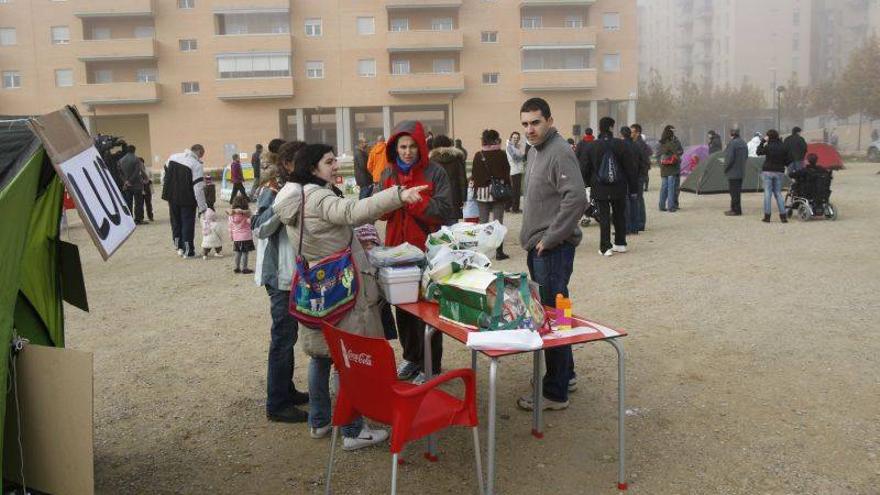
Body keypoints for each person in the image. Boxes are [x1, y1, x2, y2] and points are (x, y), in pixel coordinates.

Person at [273, 143, 428, 449]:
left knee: (320, 355)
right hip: (341, 289)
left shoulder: (295, 196)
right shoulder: (319, 197)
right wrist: (397, 194)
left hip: (316, 286)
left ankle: (319, 421)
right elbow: (353, 212)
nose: (335, 166)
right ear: (313, 168)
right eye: (329, 162)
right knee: (349, 361)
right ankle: (353, 430)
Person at [517, 97, 587, 411]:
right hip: (540, 248)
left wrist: (550, 238)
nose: (530, 129)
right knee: (558, 313)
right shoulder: (536, 150)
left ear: (549, 120)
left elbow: (576, 199)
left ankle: (555, 392)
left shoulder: (559, 151)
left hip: (553, 251)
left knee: (553, 318)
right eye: (525, 124)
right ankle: (566, 374)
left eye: (535, 122)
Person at [376, 121, 452, 385]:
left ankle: (431, 364)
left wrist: (415, 201)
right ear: (395, 149)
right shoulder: (387, 174)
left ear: (421, 147)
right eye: (402, 147)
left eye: (412, 147)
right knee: (404, 307)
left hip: (426, 250)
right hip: (396, 251)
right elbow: (380, 211)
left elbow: (445, 209)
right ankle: (411, 357)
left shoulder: (436, 173)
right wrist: (397, 197)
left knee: (429, 308)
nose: (407, 152)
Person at [252, 140, 309, 424]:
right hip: (280, 277)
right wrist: (281, 209)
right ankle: (277, 403)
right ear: (287, 164)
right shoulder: (273, 189)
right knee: (283, 338)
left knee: (290, 336)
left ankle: (286, 390)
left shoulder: (303, 189)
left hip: (296, 273)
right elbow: (258, 227)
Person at [578, 118, 637, 257]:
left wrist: (586, 185)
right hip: (619, 186)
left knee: (604, 217)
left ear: (599, 128)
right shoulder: (621, 145)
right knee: (619, 215)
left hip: (600, 187)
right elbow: (631, 168)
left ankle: (605, 247)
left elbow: (584, 168)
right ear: (612, 127)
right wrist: (633, 188)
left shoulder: (591, 146)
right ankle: (620, 243)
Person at [472, 129, 512, 260]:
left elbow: (474, 175)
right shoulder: (501, 154)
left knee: (483, 224)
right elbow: (507, 172)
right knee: (498, 224)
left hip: (482, 194)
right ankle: (499, 252)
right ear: (495, 140)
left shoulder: (478, 155)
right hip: (498, 193)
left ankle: (483, 252)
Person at [162, 144, 208, 257]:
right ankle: (188, 250)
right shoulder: (196, 164)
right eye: (201, 155)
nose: (201, 157)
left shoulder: (173, 157)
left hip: (172, 197)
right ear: (199, 152)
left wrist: (166, 187)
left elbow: (164, 173)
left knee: (175, 223)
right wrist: (202, 207)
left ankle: (178, 247)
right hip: (187, 199)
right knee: (187, 224)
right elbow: (198, 188)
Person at [429, 135, 467, 224]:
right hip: (454, 197)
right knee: (452, 227)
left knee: (438, 228)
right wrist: (464, 198)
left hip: (436, 198)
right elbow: (462, 179)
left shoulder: (431, 161)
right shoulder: (457, 159)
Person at [756, 129, 789, 223]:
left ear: (768, 137)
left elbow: (758, 152)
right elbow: (787, 159)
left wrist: (763, 141)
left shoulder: (768, 146)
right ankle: (783, 216)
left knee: (767, 193)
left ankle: (767, 216)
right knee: (778, 193)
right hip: (779, 171)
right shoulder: (783, 146)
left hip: (768, 170)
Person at [619, 126, 644, 236]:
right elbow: (642, 161)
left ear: (622, 135)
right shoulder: (636, 146)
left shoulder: (621, 146)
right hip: (636, 177)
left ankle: (627, 227)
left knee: (626, 203)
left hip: (625, 178)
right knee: (635, 202)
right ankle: (635, 227)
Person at [656, 125, 684, 212]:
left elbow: (658, 156)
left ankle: (661, 205)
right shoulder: (671, 143)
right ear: (671, 132)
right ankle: (671, 206)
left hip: (664, 168)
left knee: (664, 187)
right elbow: (677, 152)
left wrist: (661, 165)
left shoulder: (661, 143)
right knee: (671, 188)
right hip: (672, 168)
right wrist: (678, 158)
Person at [630, 123, 651, 231]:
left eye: (632, 132)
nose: (630, 133)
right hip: (639, 174)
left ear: (637, 133)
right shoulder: (638, 143)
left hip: (639, 175)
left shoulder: (639, 145)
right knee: (638, 199)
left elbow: (643, 161)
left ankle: (640, 223)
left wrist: (641, 173)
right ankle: (639, 222)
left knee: (638, 199)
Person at [723, 128, 748, 216]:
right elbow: (746, 156)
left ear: (731, 135)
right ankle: (737, 209)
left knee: (733, 192)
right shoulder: (743, 143)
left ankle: (735, 210)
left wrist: (725, 168)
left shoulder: (732, 144)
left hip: (733, 171)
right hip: (741, 170)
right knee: (737, 191)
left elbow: (729, 158)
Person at [227, 194, 255, 272]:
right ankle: (244, 268)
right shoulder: (246, 215)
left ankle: (237, 267)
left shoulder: (231, 216)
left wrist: (231, 235)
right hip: (246, 236)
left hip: (236, 237)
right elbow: (250, 222)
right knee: (245, 253)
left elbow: (230, 226)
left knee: (237, 252)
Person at [119, 145, 146, 224]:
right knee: (138, 203)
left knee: (128, 202)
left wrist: (126, 181)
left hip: (127, 185)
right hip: (137, 184)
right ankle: (138, 219)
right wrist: (130, 181)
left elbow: (120, 173)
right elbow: (137, 171)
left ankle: (129, 219)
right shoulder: (136, 159)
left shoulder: (121, 160)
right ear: (134, 150)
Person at [505, 131, 526, 214]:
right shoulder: (509, 147)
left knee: (515, 190)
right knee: (516, 191)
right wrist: (522, 155)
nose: (516, 139)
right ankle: (514, 209)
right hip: (514, 171)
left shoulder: (516, 147)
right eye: (514, 138)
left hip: (518, 170)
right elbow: (514, 158)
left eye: (517, 138)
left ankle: (508, 207)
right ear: (511, 138)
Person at [140, 157, 154, 222]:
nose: (140, 164)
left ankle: (150, 216)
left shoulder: (148, 170)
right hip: (140, 188)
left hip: (147, 187)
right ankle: (141, 217)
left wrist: (148, 180)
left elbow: (152, 178)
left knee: (148, 203)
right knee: (140, 204)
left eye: (141, 163)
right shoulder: (137, 170)